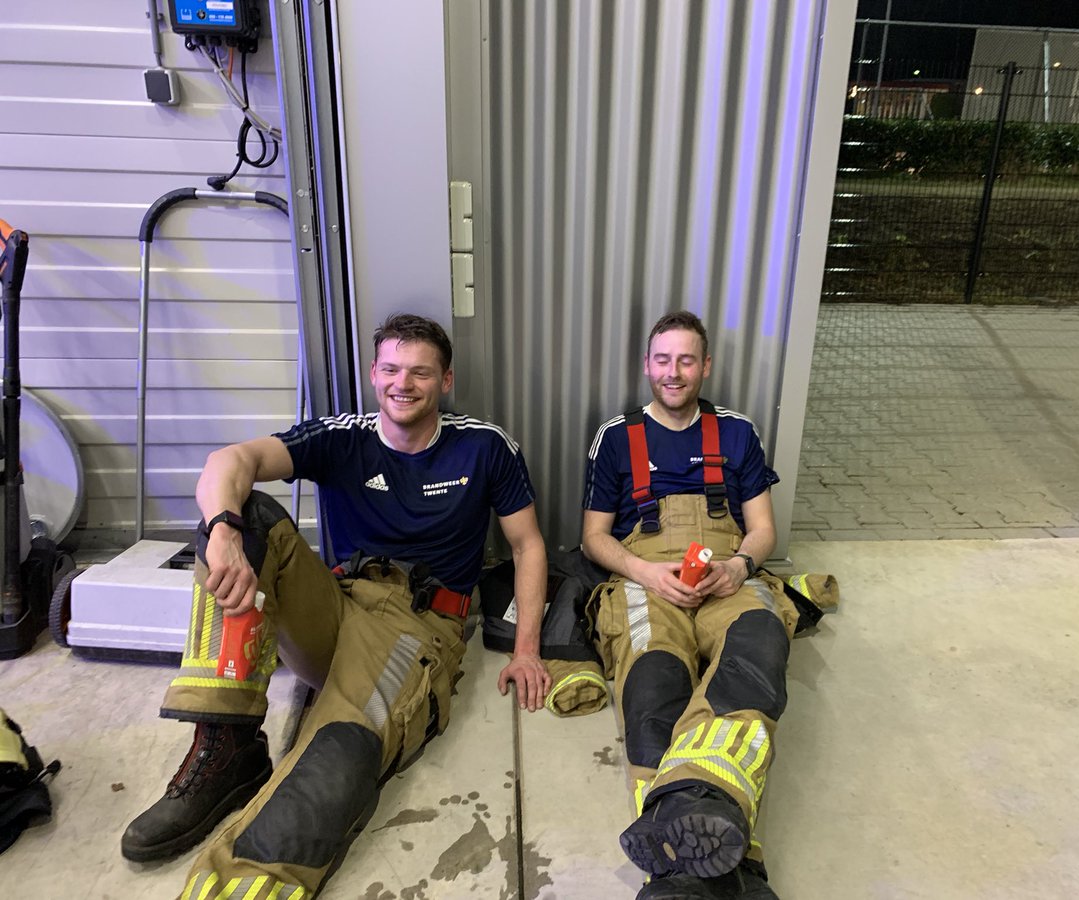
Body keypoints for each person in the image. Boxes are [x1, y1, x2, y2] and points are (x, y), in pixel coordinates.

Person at [120, 313, 551, 898]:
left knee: (341, 750)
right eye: (392, 369)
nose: (403, 384)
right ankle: (224, 749)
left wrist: (526, 650)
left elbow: (527, 547)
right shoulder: (342, 435)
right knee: (246, 518)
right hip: (334, 602)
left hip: (416, 625)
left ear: (446, 380)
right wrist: (221, 528)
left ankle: (242, 884)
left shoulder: (484, 446)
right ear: (374, 373)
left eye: (420, 372)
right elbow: (230, 461)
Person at [582, 311, 801, 900]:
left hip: (726, 574)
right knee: (652, 675)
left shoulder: (737, 432)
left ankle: (677, 861)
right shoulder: (616, 437)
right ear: (646, 366)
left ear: (706, 366)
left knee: (760, 643)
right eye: (662, 359)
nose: (673, 372)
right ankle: (731, 860)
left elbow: (762, 529)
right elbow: (594, 537)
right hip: (646, 577)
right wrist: (645, 571)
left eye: (685, 360)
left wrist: (739, 567)